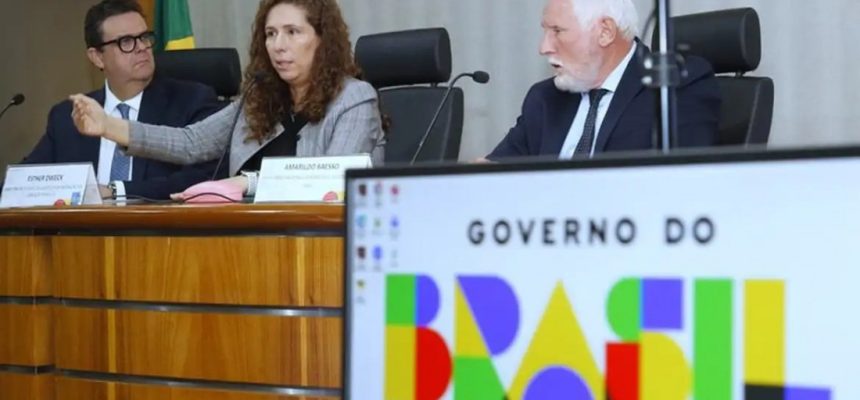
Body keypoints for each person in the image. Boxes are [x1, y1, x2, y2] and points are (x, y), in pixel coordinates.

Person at [69, 0, 385, 200]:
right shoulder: (258, 98)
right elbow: (190, 143)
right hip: (249, 241)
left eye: (293, 32)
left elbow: (331, 180)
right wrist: (108, 126)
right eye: (271, 33)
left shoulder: (354, 98)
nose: (278, 45)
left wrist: (245, 183)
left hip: (322, 246)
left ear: (322, 40)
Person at [23, 0, 222, 200]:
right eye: (126, 42)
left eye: (144, 37)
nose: (142, 47)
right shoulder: (69, 116)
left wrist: (116, 191)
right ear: (97, 57)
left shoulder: (191, 101)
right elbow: (25, 183)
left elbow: (203, 178)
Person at [487, 0, 720, 160]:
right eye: (545, 32)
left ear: (605, 32)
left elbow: (680, 182)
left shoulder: (675, 86)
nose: (544, 47)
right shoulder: (545, 99)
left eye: (557, 31)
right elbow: (498, 170)